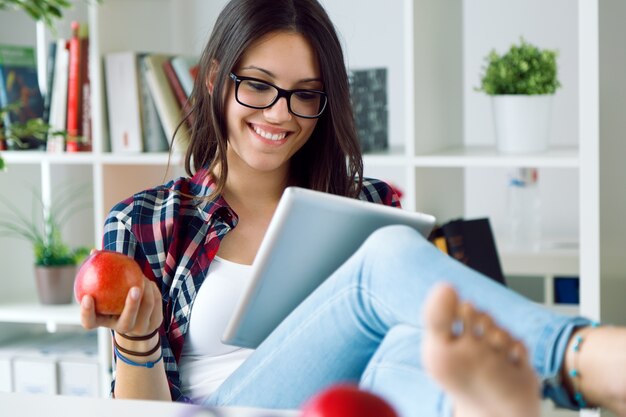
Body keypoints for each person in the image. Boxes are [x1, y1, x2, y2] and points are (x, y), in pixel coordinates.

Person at [78, 0, 626, 416]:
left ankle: (491, 404)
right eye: (259, 86)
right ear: (217, 80)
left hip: (350, 405)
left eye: (305, 94)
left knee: (420, 336)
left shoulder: (363, 204)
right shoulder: (148, 222)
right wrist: (137, 342)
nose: (279, 113)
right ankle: (579, 360)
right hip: (229, 407)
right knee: (390, 257)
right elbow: (138, 414)